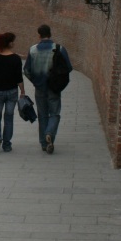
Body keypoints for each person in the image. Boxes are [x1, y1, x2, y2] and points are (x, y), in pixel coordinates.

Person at [23, 24, 72, 155]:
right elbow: (68, 68)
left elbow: (26, 70)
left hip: (40, 87)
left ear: (39, 35)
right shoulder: (60, 49)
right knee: (55, 113)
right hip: (54, 87)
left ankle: (44, 143)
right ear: (50, 34)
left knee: (42, 115)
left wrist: (35, 81)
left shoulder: (33, 50)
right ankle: (50, 133)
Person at [0, 32, 26, 152]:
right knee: (9, 118)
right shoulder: (16, 59)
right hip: (12, 92)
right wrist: (22, 91)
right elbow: (19, 78)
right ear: (9, 43)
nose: (14, 43)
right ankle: (7, 144)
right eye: (13, 41)